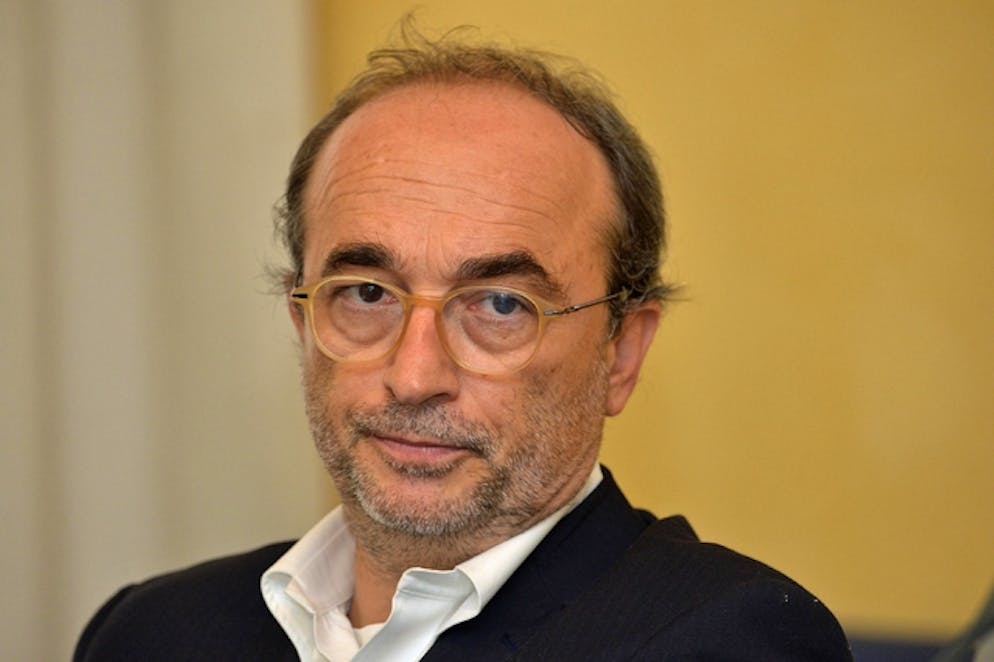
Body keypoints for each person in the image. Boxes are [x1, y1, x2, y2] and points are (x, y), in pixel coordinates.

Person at [74, 25, 852, 662]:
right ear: (302, 321)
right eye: (367, 294)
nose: (415, 376)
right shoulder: (152, 633)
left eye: (501, 305)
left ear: (621, 352)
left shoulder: (727, 639)